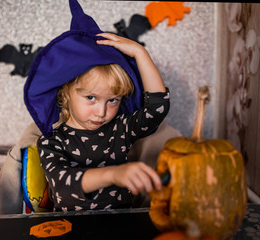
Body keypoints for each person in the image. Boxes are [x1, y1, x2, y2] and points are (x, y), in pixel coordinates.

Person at [36, 32, 170, 212]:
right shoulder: (51, 141)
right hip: (70, 229)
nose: (102, 112)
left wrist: (140, 53)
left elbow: (157, 109)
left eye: (113, 100)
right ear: (66, 92)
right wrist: (114, 174)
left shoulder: (121, 128)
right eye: (91, 97)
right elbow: (64, 184)